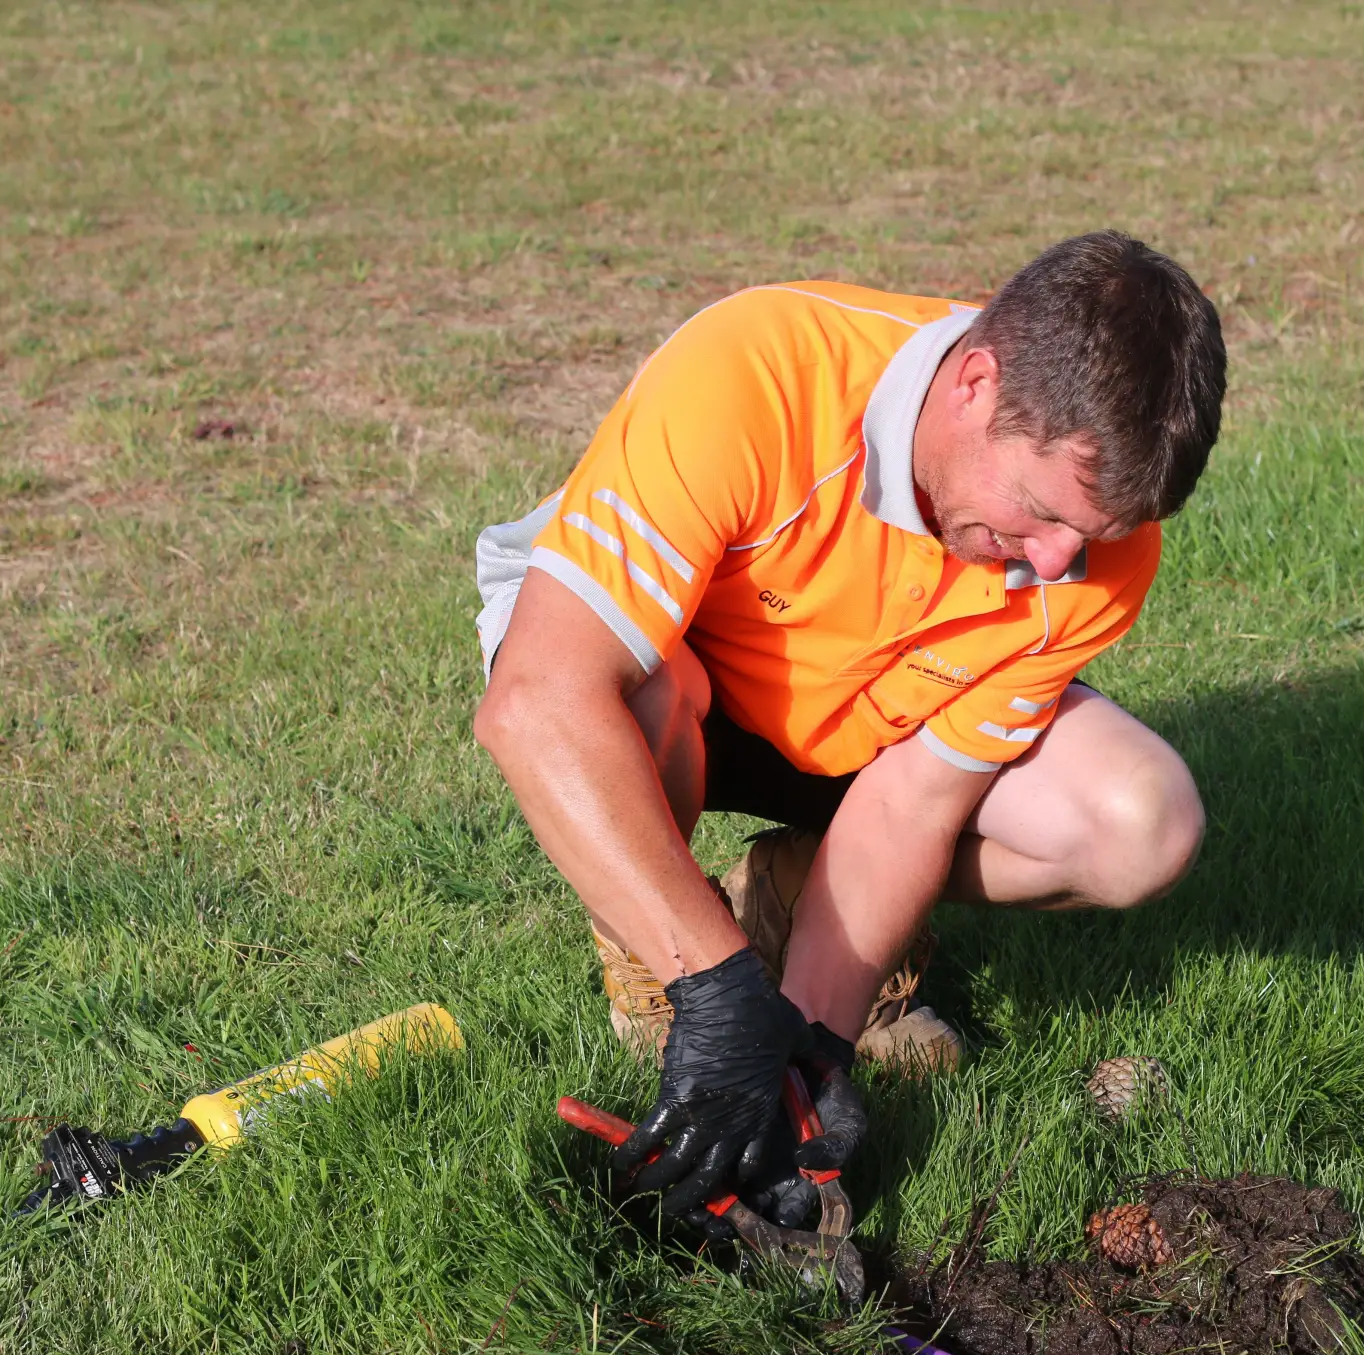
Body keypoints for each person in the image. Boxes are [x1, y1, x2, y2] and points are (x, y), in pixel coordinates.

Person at [472, 229, 1224, 1231]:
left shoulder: (1091, 552)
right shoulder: (757, 372)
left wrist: (807, 1054)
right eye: (1039, 511)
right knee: (645, 688)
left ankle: (784, 901)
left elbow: (915, 799)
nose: (1053, 563)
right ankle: (664, 970)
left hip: (862, 718)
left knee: (1142, 822)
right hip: (668, 679)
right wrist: (719, 998)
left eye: (1090, 535)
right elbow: (537, 698)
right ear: (976, 385)